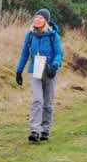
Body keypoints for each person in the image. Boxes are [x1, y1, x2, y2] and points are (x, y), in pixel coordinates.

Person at [15, 9, 64, 143]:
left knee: (47, 104)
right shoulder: (30, 35)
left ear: (46, 21)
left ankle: (45, 130)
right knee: (37, 100)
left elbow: (59, 54)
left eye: (40, 18)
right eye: (36, 17)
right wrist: (18, 71)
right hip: (35, 71)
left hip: (49, 72)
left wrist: (54, 65)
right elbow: (24, 54)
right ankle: (35, 131)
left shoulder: (53, 36)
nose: (37, 20)